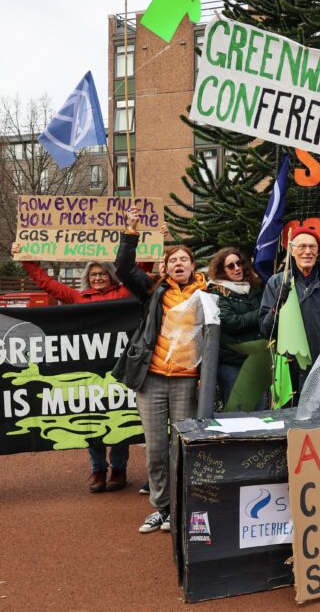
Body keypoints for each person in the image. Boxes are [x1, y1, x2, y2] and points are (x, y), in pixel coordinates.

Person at [112, 206, 217, 534]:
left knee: (181, 447)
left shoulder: (209, 295)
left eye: (184, 259)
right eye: (173, 260)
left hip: (188, 382)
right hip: (152, 380)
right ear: (166, 267)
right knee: (156, 448)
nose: (178, 264)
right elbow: (124, 268)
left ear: (192, 265)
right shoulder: (153, 290)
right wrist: (131, 231)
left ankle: (182, 507)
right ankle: (162, 507)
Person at [12, 242, 132, 493]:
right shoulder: (77, 297)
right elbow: (46, 283)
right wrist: (26, 259)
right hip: (88, 369)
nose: (98, 278)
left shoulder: (124, 293)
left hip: (118, 368)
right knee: (93, 420)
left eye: (102, 274)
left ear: (110, 275)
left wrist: (152, 244)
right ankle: (98, 470)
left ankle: (119, 470)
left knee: (120, 417)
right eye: (93, 275)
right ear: (87, 278)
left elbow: (138, 267)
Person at [259, 226, 320, 404]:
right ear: (292, 251)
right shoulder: (277, 282)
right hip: (287, 367)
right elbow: (265, 329)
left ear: (318, 252)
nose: (307, 252)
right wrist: (277, 306)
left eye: (312, 247)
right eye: (302, 247)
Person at [207, 248, 263, 410]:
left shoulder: (254, 288)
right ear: (221, 270)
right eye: (230, 266)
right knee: (236, 414)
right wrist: (262, 313)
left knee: (259, 414)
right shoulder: (217, 291)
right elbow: (231, 322)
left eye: (239, 263)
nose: (237, 268)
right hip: (233, 364)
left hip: (256, 362)